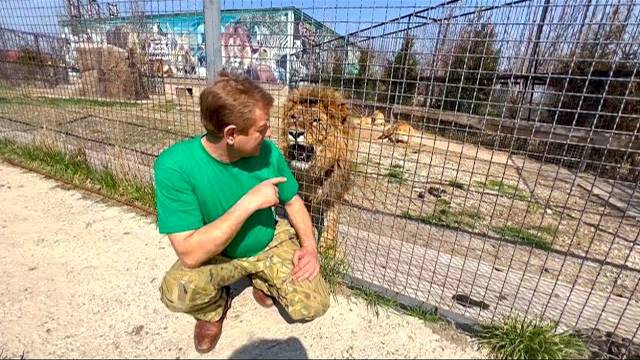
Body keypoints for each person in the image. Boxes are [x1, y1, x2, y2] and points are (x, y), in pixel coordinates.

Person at [153, 74, 330, 354]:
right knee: (176, 292)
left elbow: (293, 202)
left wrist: (309, 248)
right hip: (218, 253)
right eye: (261, 129)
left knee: (313, 304)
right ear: (231, 135)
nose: (270, 134)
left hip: (268, 242)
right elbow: (190, 253)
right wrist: (248, 202)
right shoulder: (173, 167)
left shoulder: (268, 153)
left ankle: (263, 278)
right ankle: (213, 308)